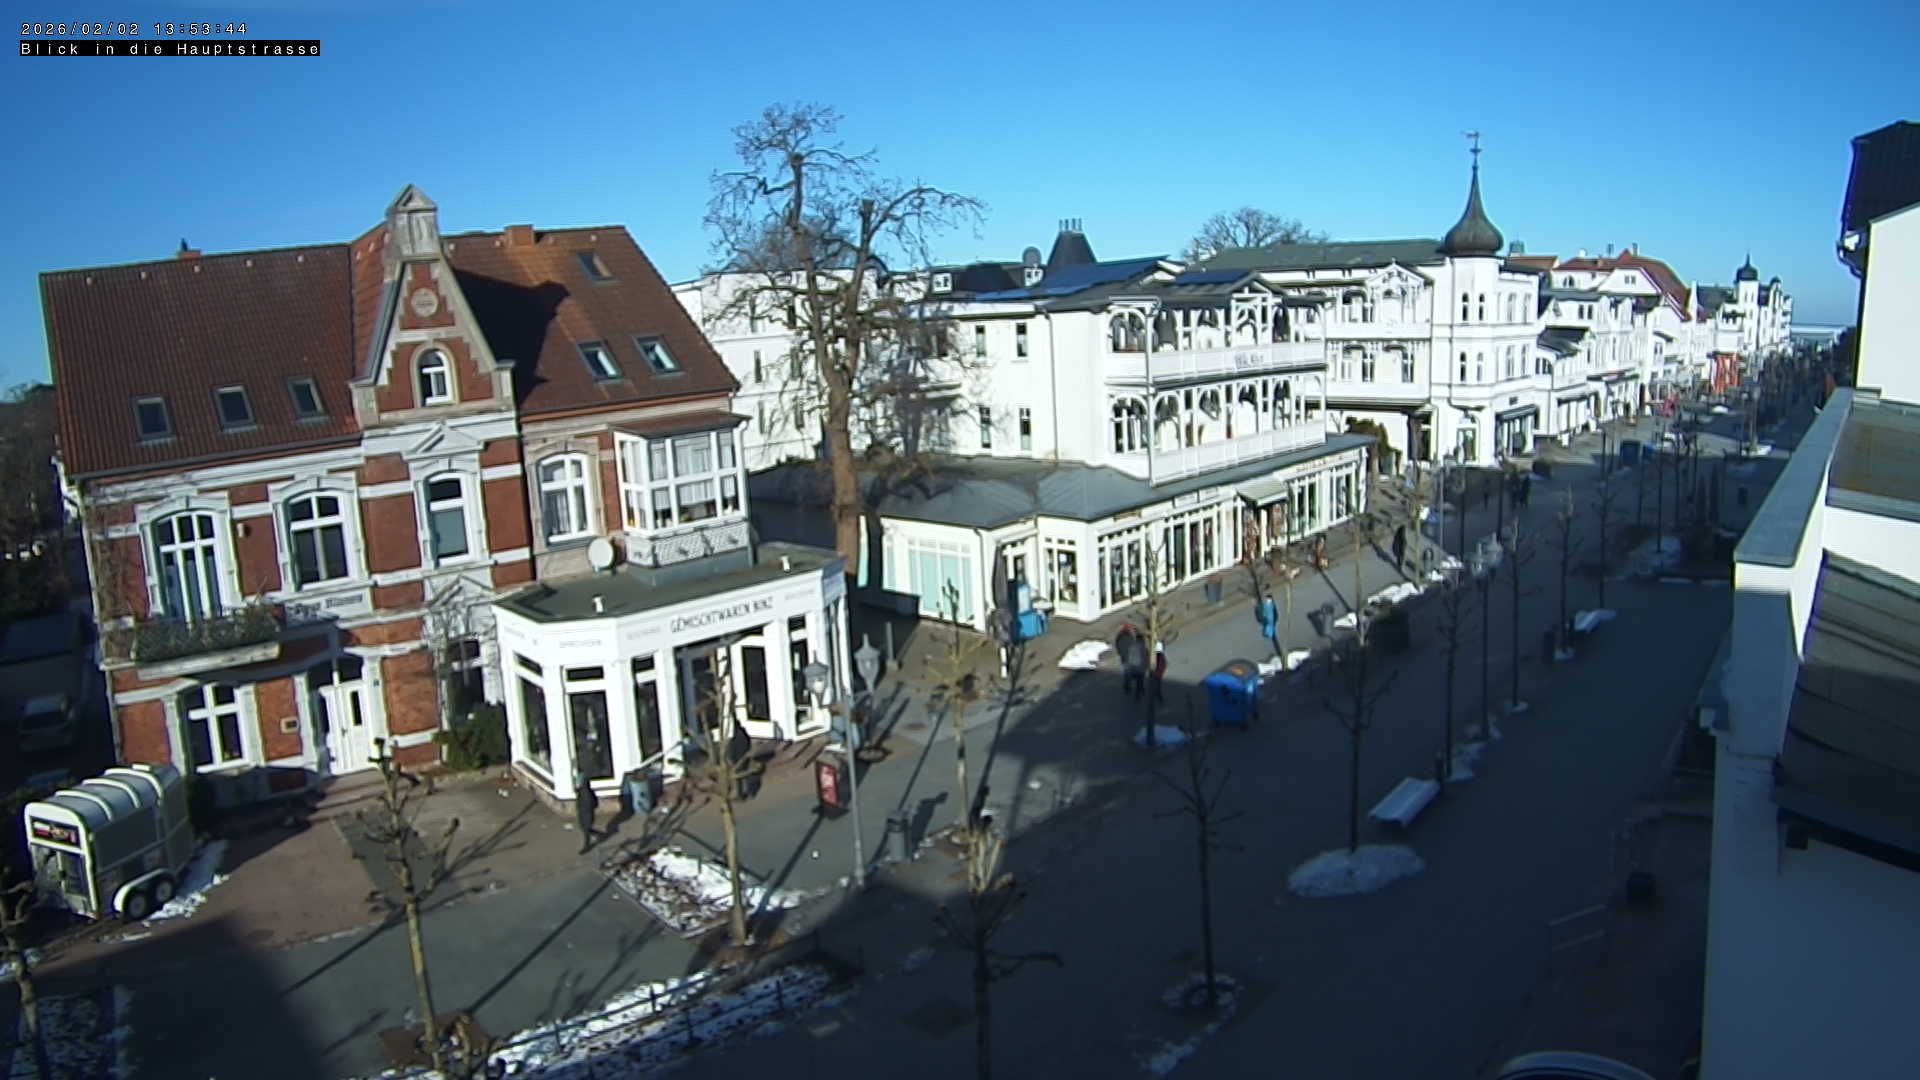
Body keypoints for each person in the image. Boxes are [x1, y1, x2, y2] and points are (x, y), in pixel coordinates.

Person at [1115, 623, 1145, 700]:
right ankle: (1138, 691)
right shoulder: (1131, 639)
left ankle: (1127, 686)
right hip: (1132, 659)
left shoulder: (1119, 636)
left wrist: (1121, 654)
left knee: (1127, 673)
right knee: (1137, 675)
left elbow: (1118, 646)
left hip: (1125, 658)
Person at [573, 767, 599, 854]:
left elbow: (589, 802)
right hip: (583, 810)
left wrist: (587, 809)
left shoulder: (585, 792)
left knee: (586, 828)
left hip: (586, 811)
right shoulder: (583, 791)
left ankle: (587, 845)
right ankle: (596, 834)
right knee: (584, 827)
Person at [1150, 641, 1168, 705]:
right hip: (1157, 673)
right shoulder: (1160, 655)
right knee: (1157, 686)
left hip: (1156, 673)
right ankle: (1158, 697)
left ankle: (1156, 696)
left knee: (1156, 686)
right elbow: (1163, 664)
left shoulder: (1155, 654)